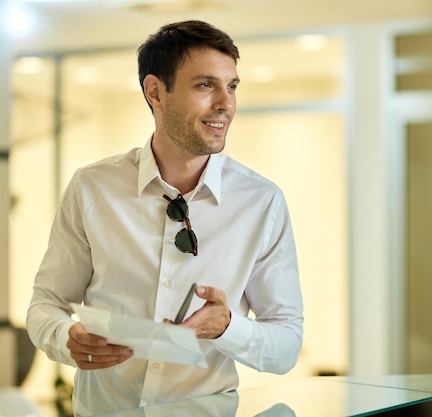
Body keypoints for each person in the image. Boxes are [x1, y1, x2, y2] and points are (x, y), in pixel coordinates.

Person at [26, 20, 304, 416]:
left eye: (233, 86)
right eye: (206, 85)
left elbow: (286, 346)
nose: (226, 103)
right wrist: (64, 336)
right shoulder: (91, 188)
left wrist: (226, 327)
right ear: (156, 91)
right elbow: (46, 305)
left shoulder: (263, 202)